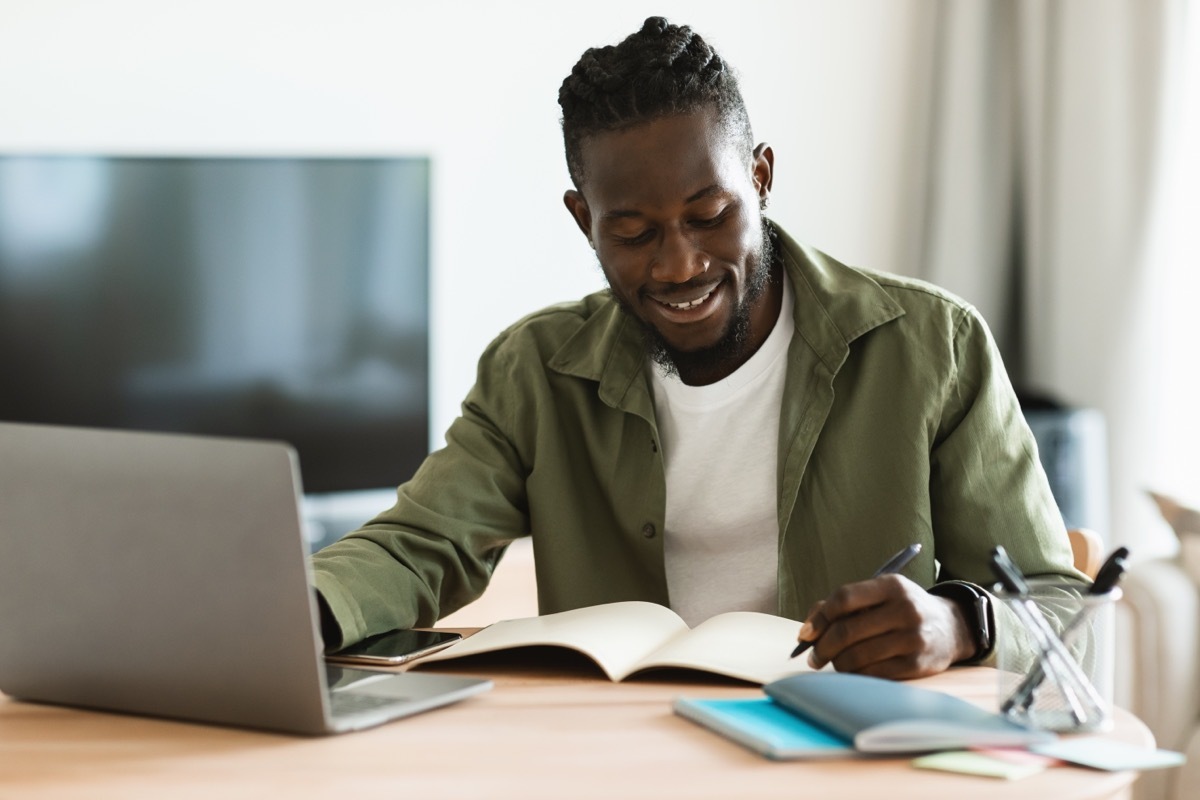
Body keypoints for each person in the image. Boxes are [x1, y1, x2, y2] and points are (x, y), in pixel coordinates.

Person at [312, 16, 1082, 680]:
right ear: (585, 220)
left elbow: (1056, 604)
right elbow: (420, 545)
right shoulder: (534, 370)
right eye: (634, 233)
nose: (679, 265)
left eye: (710, 214)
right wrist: (296, 609)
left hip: (845, 755)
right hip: (624, 757)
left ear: (761, 176)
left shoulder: (931, 346)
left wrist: (958, 624)